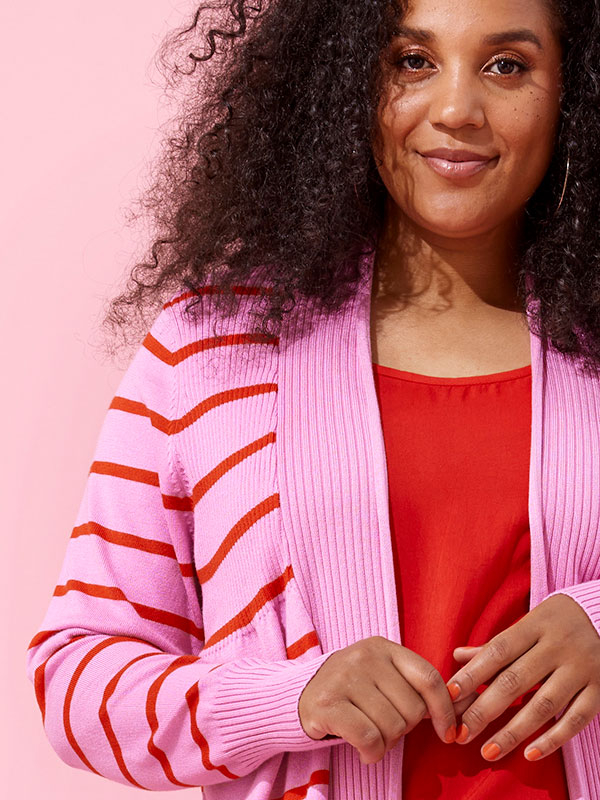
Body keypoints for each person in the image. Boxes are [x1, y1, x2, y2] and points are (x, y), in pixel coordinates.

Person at [26, 0, 600, 797]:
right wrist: (287, 699)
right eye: (412, 61)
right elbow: (76, 681)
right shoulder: (213, 343)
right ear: (343, 80)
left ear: (574, 91)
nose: (457, 109)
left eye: (507, 65)